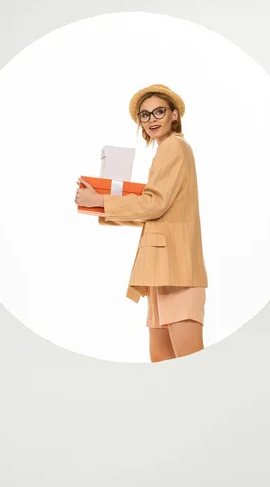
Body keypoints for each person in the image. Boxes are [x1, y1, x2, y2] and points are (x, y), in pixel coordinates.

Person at [75, 84, 208, 362]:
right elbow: (158, 212)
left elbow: (154, 203)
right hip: (164, 271)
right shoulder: (168, 150)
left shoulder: (174, 146)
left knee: (189, 365)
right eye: (144, 115)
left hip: (176, 270)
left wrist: (100, 200)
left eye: (159, 111)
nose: (152, 120)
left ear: (174, 115)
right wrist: (97, 203)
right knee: (164, 363)